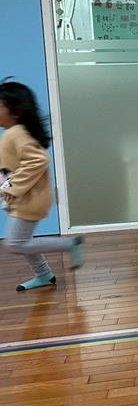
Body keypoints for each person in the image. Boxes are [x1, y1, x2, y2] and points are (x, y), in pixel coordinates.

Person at [0, 81, 84, 291]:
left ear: (16, 111)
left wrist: (12, 186)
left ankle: (70, 244)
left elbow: (38, 160)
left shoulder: (16, 133)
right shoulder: (14, 132)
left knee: (14, 243)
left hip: (29, 199)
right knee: (24, 240)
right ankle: (44, 274)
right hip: (23, 198)